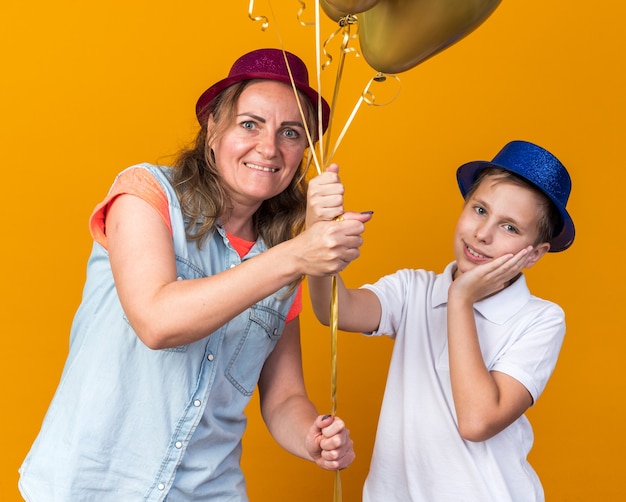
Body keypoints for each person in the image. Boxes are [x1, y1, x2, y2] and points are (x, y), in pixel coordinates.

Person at [18, 48, 369, 501]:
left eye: (291, 133)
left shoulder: (281, 258)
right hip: (90, 488)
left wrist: (313, 437)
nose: (269, 147)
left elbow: (284, 399)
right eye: (250, 124)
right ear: (213, 132)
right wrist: (298, 256)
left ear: (303, 153)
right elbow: (157, 321)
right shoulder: (145, 194)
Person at [307, 140, 575, 502]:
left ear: (535, 253)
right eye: (479, 209)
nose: (483, 233)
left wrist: (460, 299)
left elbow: (477, 421)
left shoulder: (540, 319)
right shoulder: (413, 289)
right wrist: (314, 239)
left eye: (510, 228)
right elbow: (334, 310)